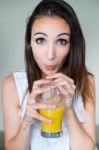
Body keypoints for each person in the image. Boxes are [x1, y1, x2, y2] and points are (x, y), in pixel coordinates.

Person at [2, 0, 96, 149]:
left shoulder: (85, 81)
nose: (50, 55)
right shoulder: (12, 84)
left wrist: (69, 110)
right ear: (29, 43)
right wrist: (26, 121)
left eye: (62, 41)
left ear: (72, 45)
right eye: (40, 40)